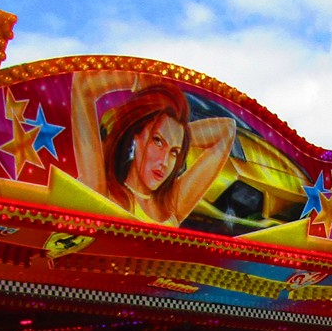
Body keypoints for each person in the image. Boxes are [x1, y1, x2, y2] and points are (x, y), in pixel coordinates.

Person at [69, 65, 235, 226]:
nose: (164, 161)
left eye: (174, 152)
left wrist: (178, 138)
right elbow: (83, 86)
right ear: (136, 136)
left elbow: (227, 130)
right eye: (158, 141)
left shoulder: (172, 205)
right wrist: (138, 79)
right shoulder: (102, 190)